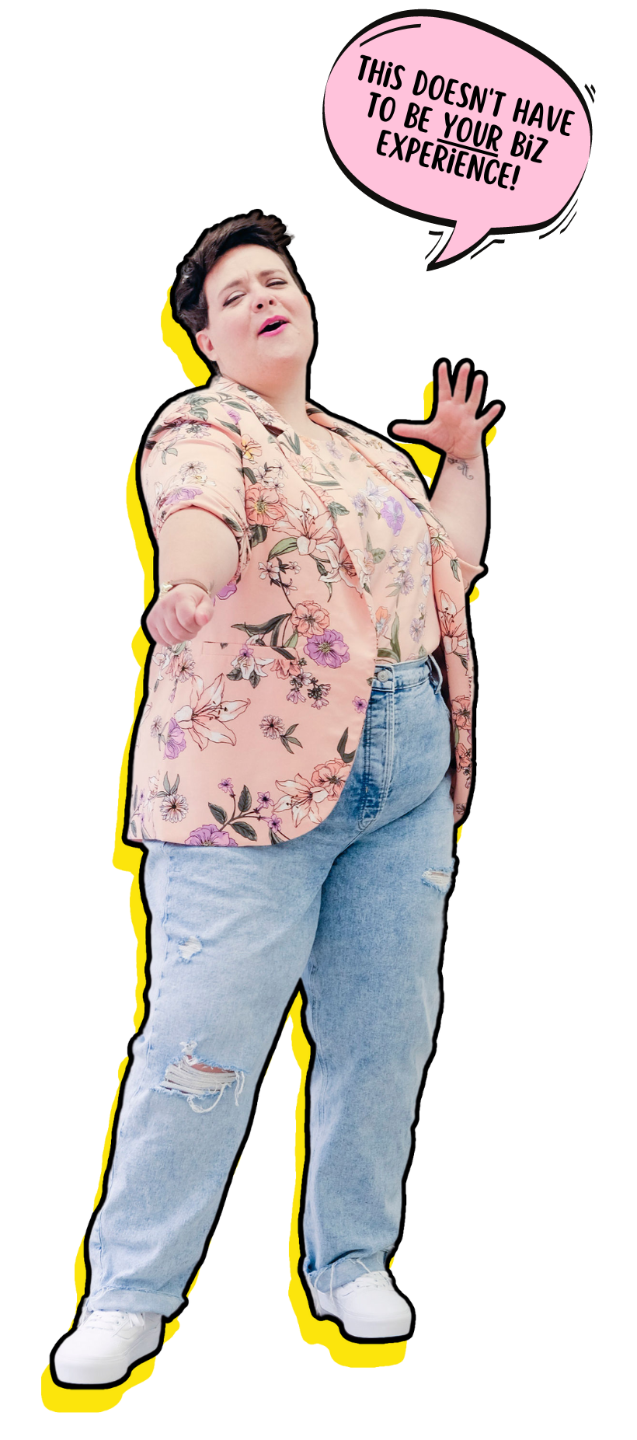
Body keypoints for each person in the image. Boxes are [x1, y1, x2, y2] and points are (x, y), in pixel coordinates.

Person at [53, 213, 499, 1385]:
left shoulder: (363, 453)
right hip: (246, 798)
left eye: (277, 280)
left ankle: (350, 1260)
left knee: (383, 1037)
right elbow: (196, 524)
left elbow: (449, 569)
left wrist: (461, 463)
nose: (265, 296)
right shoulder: (201, 427)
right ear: (202, 336)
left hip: (404, 784)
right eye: (236, 292)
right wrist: (188, 590)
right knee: (202, 1049)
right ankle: (131, 1294)